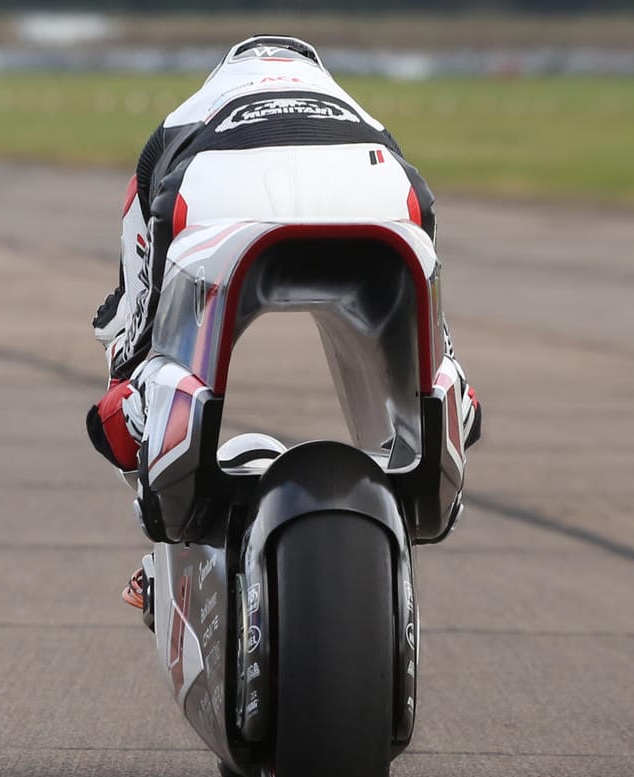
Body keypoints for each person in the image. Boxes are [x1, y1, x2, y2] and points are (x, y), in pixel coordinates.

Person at [85, 36, 482, 609]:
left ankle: (165, 551)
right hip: (376, 185)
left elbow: (123, 309)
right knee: (440, 397)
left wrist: (131, 363)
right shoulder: (361, 115)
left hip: (214, 195)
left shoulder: (180, 121)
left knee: (130, 395)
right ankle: (418, 488)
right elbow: (418, 203)